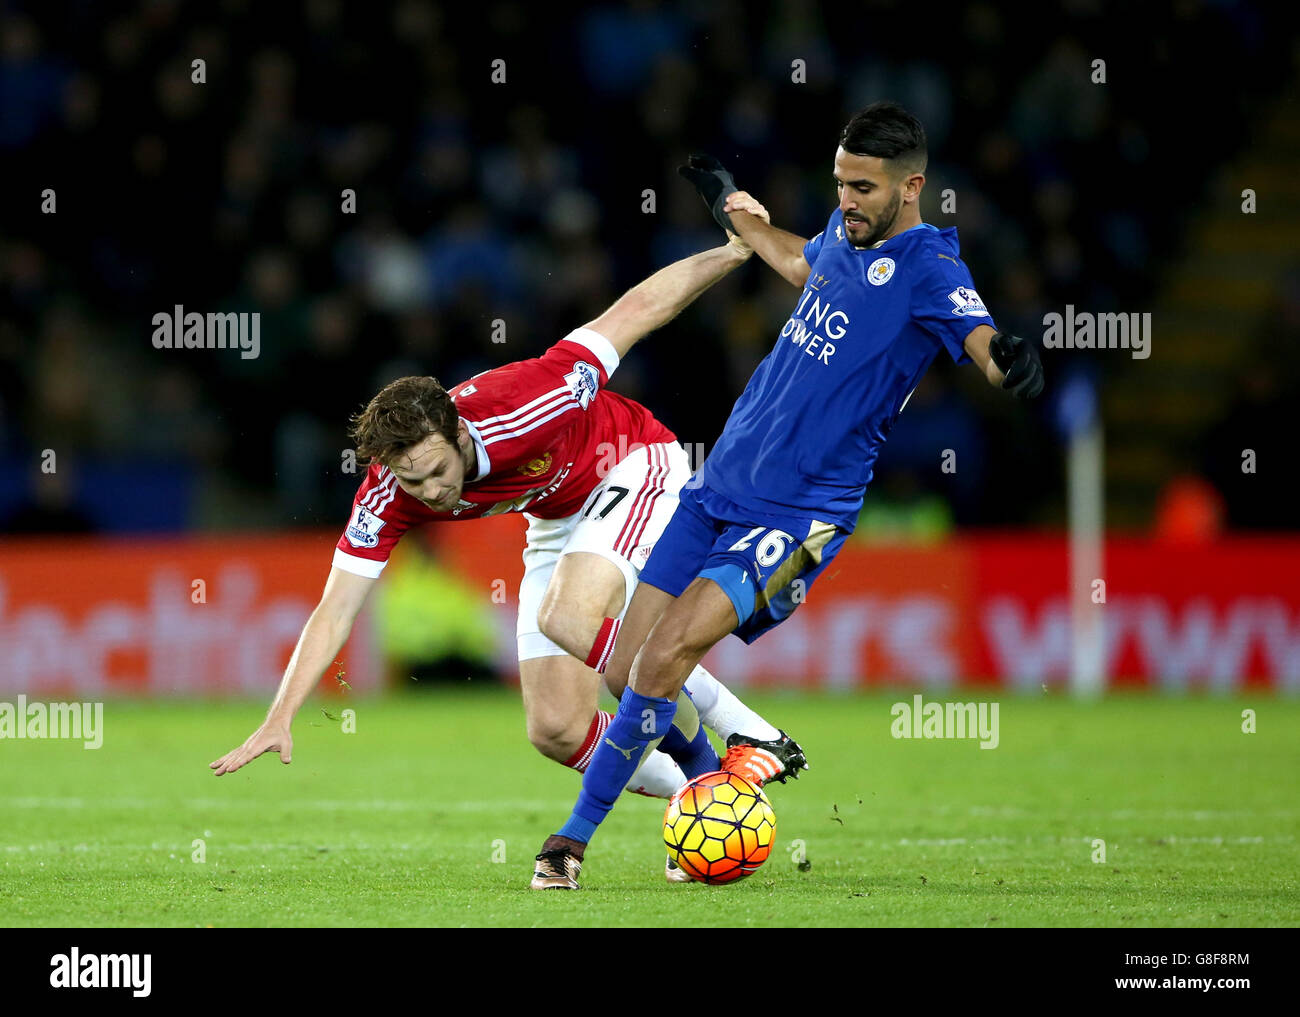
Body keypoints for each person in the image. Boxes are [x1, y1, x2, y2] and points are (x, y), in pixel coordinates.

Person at [532, 101, 1044, 889]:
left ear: (912, 186)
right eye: (840, 182)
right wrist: (734, 211)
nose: (846, 200)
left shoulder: (932, 271)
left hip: (802, 512)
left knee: (667, 655)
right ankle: (719, 772)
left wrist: (1007, 360)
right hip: (719, 486)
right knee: (626, 665)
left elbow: (984, 347)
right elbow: (807, 262)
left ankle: (569, 844)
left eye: (864, 188)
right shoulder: (845, 234)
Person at [210, 225, 803, 843]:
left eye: (436, 472)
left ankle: (742, 727)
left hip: (632, 461)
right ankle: (705, 801)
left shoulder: (531, 400)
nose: (430, 492)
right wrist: (280, 717)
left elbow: (637, 310)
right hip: (554, 514)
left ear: (460, 435)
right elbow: (334, 611)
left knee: (565, 616)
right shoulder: (391, 493)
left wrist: (734, 251)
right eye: (410, 481)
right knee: (557, 728)